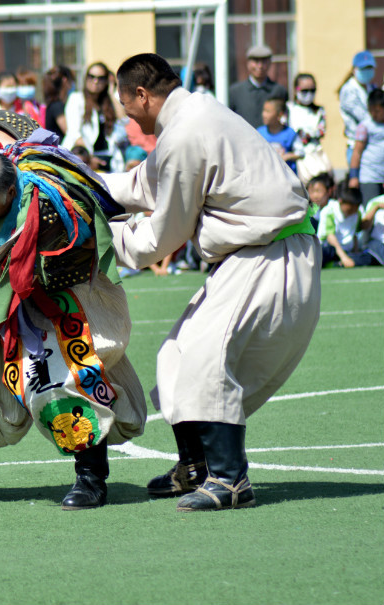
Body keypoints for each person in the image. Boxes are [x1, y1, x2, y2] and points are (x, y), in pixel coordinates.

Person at [103, 53, 321, 511]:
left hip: (271, 252)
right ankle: (196, 467)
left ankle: (230, 480)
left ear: (142, 95)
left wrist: (100, 232)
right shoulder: (194, 116)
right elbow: (142, 184)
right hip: (252, 255)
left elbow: (161, 237)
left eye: (126, 104)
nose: (127, 115)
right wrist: (77, 180)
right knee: (175, 357)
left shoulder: (186, 131)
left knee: (205, 359)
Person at [0, 114, 145, 510]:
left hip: (48, 292)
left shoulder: (49, 195)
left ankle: (91, 477)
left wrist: (23, 260)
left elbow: (89, 227)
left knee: (66, 376)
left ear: (8, 196)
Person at [62, 62, 126, 172]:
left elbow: (124, 120)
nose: (95, 81)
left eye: (100, 78)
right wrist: (90, 159)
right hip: (84, 159)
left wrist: (111, 93)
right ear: (86, 78)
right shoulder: (76, 99)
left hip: (109, 158)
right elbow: (75, 134)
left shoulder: (109, 102)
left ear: (107, 81)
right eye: (91, 77)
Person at [227, 44, 288, 128]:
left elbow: (284, 120)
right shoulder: (235, 92)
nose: (260, 66)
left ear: (270, 63)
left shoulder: (279, 91)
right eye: (256, 61)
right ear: (248, 63)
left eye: (264, 61)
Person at [339, 51, 378, 166]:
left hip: (373, 145)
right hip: (357, 146)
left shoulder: (372, 87)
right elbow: (363, 116)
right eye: (363, 68)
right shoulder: (348, 90)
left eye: (369, 68)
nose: (367, 71)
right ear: (354, 69)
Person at [287, 73, 327, 180]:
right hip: (294, 159)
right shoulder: (288, 109)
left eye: (312, 90)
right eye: (304, 90)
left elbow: (321, 132)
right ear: (296, 90)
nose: (308, 94)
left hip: (315, 156)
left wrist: (303, 133)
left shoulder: (319, 111)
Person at [348, 88, 384, 205]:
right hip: (370, 177)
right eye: (371, 110)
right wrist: (354, 176)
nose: (374, 114)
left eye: (377, 111)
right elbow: (357, 152)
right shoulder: (365, 126)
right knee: (371, 209)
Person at [319, 187, 371, 268]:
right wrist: (344, 257)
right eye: (350, 209)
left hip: (347, 251)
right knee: (322, 253)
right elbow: (330, 237)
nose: (352, 212)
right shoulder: (329, 211)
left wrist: (355, 252)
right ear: (341, 201)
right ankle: (337, 263)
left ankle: (338, 263)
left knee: (367, 257)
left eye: (355, 208)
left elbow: (354, 234)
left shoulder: (357, 213)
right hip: (331, 248)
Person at [257, 97, 303, 173]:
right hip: (267, 176)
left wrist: (287, 156)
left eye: (268, 111)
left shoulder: (289, 133)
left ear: (279, 115)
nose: (264, 115)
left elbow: (301, 153)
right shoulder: (259, 132)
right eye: (263, 111)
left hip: (287, 177)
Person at [42, 65, 74, 140]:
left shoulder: (55, 104)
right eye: (72, 80)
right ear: (65, 80)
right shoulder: (57, 106)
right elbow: (69, 132)